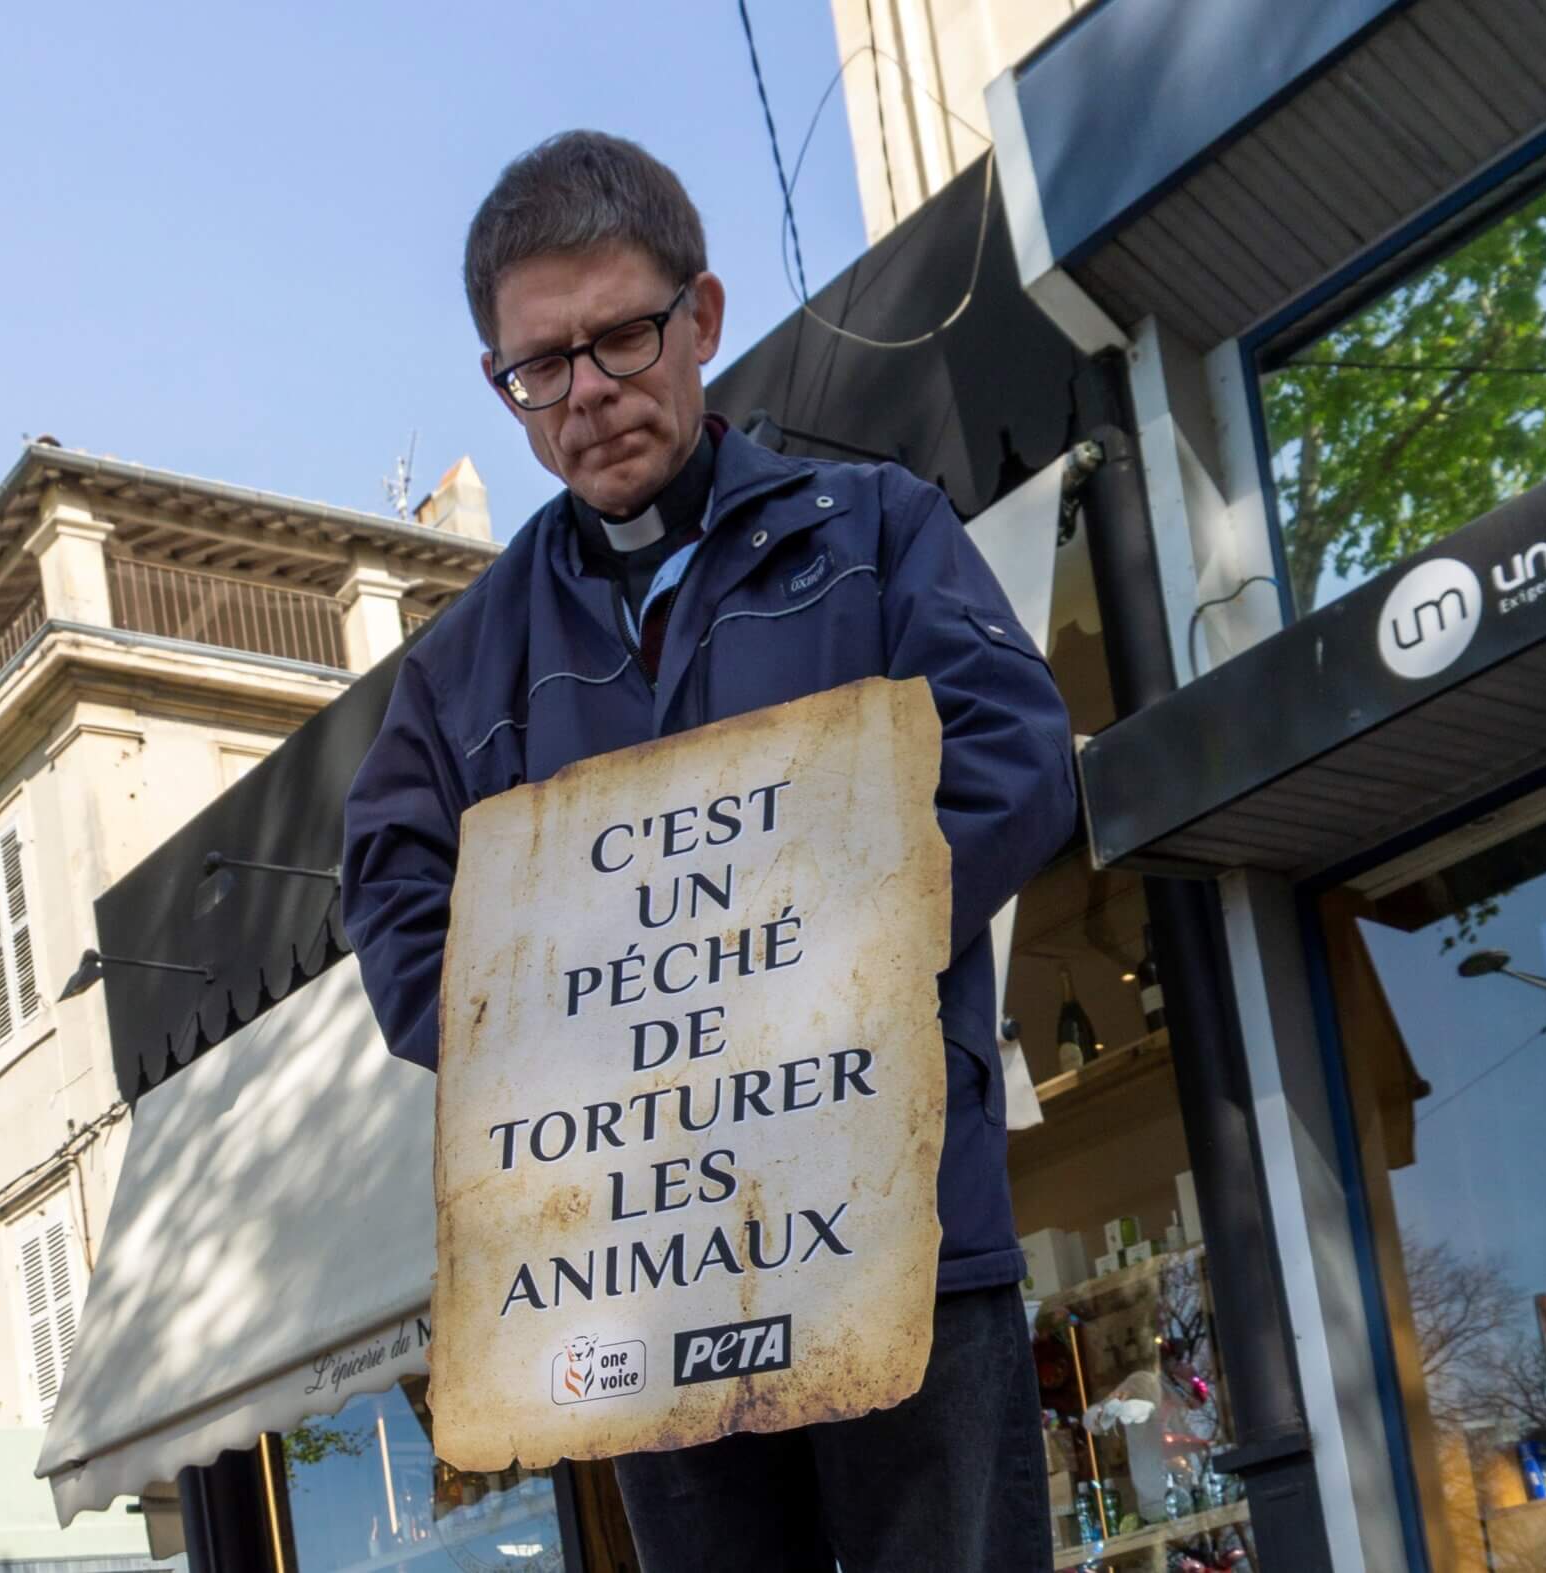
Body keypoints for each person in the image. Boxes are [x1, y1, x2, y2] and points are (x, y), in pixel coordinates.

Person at [339, 130, 1076, 1570]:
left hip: (901, 1241)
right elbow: (401, 923)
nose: (589, 395)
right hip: (633, 1291)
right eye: (540, 368)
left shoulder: (878, 533)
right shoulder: (456, 674)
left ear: (704, 317)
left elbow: (1019, 757)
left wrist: (797, 963)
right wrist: (575, 1039)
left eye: (621, 337)